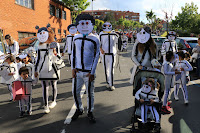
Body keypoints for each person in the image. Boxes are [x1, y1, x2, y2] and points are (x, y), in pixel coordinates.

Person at [71, 14, 100, 123]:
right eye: (81, 23)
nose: (84, 26)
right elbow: (73, 54)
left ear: (91, 25)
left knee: (90, 93)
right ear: (78, 24)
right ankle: (79, 109)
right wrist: (73, 68)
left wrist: (92, 72)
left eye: (87, 23)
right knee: (75, 91)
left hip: (88, 72)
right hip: (78, 71)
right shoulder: (76, 38)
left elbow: (96, 56)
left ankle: (90, 111)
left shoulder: (95, 39)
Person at [34, 24, 63, 113]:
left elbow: (58, 57)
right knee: (44, 87)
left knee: (54, 84)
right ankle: (46, 105)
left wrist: (54, 52)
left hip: (53, 68)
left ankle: (54, 101)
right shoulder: (39, 46)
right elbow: (38, 58)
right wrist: (36, 70)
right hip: (43, 68)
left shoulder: (55, 44)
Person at [99, 22, 119, 91]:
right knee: (106, 69)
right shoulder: (101, 34)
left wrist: (117, 35)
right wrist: (100, 49)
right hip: (104, 54)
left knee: (111, 69)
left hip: (112, 54)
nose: (107, 27)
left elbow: (117, 41)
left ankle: (111, 84)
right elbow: (99, 43)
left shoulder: (113, 34)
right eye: (105, 26)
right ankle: (108, 82)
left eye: (108, 26)